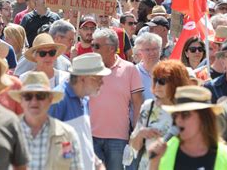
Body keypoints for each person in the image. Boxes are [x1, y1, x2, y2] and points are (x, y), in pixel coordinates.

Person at [148, 86, 227, 170]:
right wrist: (154, 164)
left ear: (204, 118)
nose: (179, 120)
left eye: (185, 114)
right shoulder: (162, 153)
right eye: (175, 115)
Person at [90, 28, 144, 170]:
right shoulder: (87, 69)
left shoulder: (129, 69)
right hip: (91, 136)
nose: (93, 49)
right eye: (92, 45)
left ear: (111, 48)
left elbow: (138, 103)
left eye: (97, 46)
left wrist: (137, 131)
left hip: (119, 138)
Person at [9, 72, 83, 170]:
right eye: (28, 96)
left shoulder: (67, 134)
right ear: (21, 100)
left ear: (50, 99)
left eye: (40, 96)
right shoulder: (7, 132)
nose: (34, 101)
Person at [49, 53, 109, 170]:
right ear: (83, 78)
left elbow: (83, 141)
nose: (102, 83)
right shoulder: (58, 100)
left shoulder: (84, 99)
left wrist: (97, 163)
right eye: (98, 78)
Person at [129, 60, 191, 169]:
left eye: (162, 81)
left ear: (176, 83)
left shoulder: (189, 111)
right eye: (155, 80)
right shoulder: (149, 107)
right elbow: (134, 145)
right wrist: (141, 134)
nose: (157, 85)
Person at [134, 32, 162, 99]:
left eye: (155, 49)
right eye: (147, 50)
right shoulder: (133, 72)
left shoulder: (168, 71)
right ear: (139, 52)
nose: (152, 53)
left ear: (160, 50)